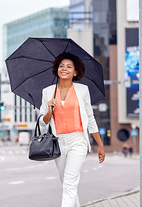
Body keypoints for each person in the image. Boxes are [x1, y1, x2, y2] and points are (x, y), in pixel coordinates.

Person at [39, 52, 105, 207]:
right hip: (58, 142)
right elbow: (42, 122)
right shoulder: (48, 92)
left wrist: (100, 145)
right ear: (56, 69)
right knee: (66, 182)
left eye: (69, 66)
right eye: (61, 66)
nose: (64, 69)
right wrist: (49, 110)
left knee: (69, 183)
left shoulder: (83, 90)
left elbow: (90, 118)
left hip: (78, 141)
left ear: (75, 72)